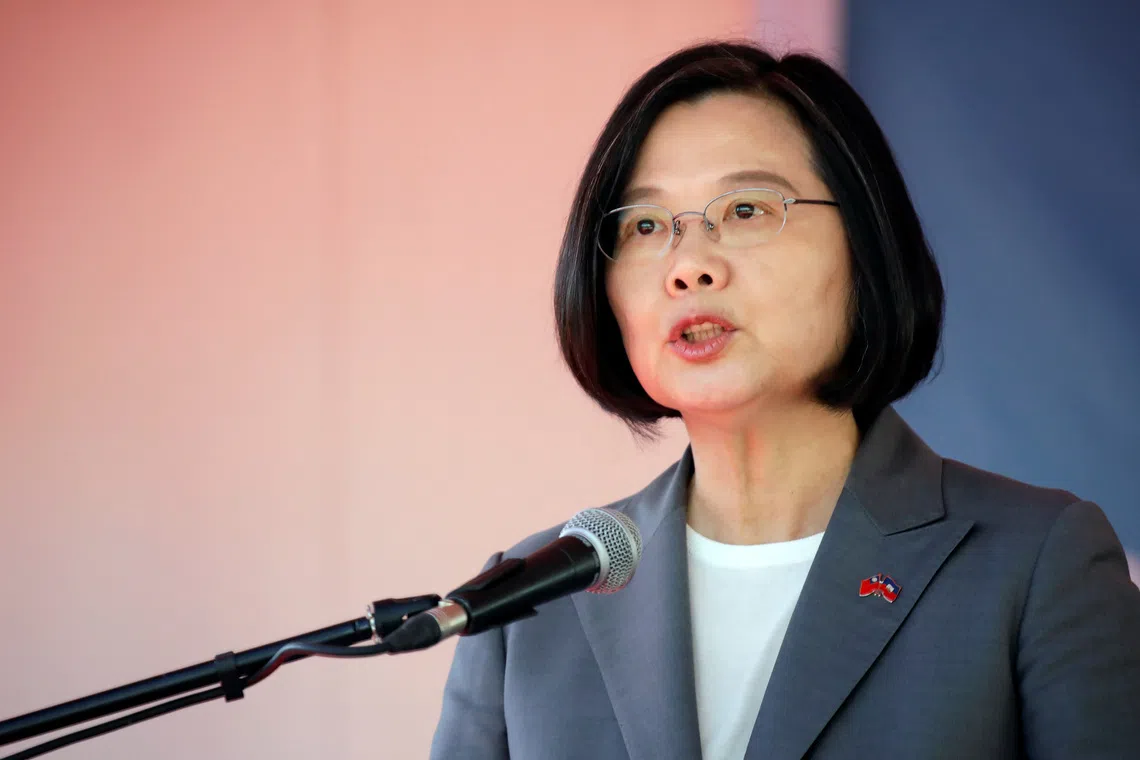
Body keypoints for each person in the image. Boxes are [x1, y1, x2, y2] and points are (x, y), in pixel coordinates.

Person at [428, 41, 1140, 759]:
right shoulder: (526, 604)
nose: (689, 266)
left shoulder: (1036, 564)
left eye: (744, 209)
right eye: (645, 225)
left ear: (864, 247)